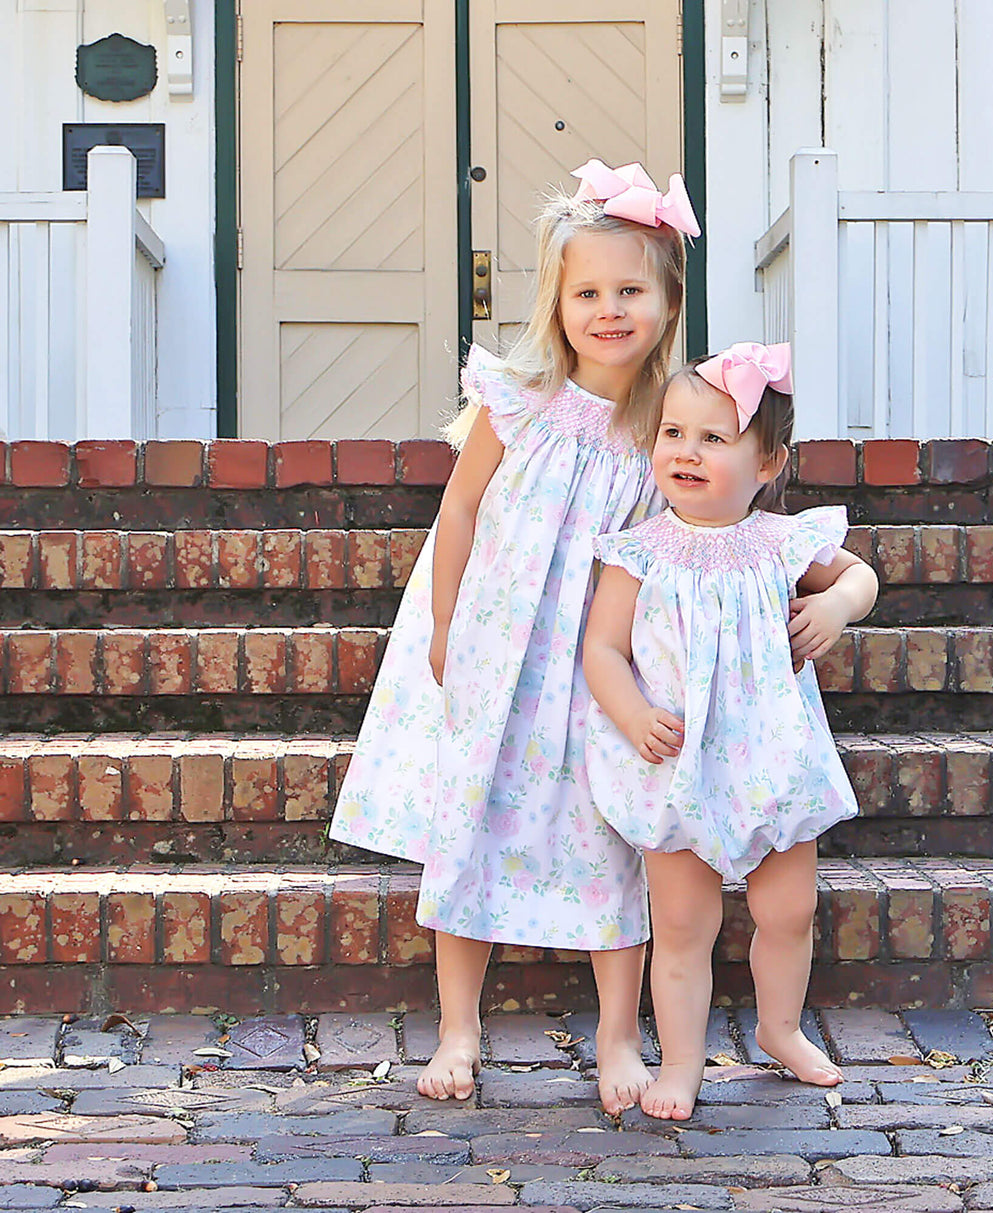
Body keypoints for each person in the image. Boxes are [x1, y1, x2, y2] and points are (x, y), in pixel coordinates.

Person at [326, 159, 700, 1113]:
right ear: (556, 301)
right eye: (586, 292)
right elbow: (458, 514)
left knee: (611, 830)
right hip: (499, 645)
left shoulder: (671, 425)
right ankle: (459, 1024)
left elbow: (706, 531)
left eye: (629, 290)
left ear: (667, 301)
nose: (607, 310)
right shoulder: (519, 399)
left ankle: (619, 1038)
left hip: (600, 660)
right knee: (473, 818)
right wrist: (446, 629)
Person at [582, 342, 879, 1120]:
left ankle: (779, 1027)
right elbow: (602, 649)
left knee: (789, 910)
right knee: (682, 923)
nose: (686, 451)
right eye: (673, 433)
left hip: (774, 762)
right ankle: (680, 1061)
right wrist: (632, 713)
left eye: (714, 438)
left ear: (768, 460)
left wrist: (836, 606)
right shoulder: (639, 551)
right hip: (676, 763)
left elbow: (860, 575)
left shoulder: (781, 543)